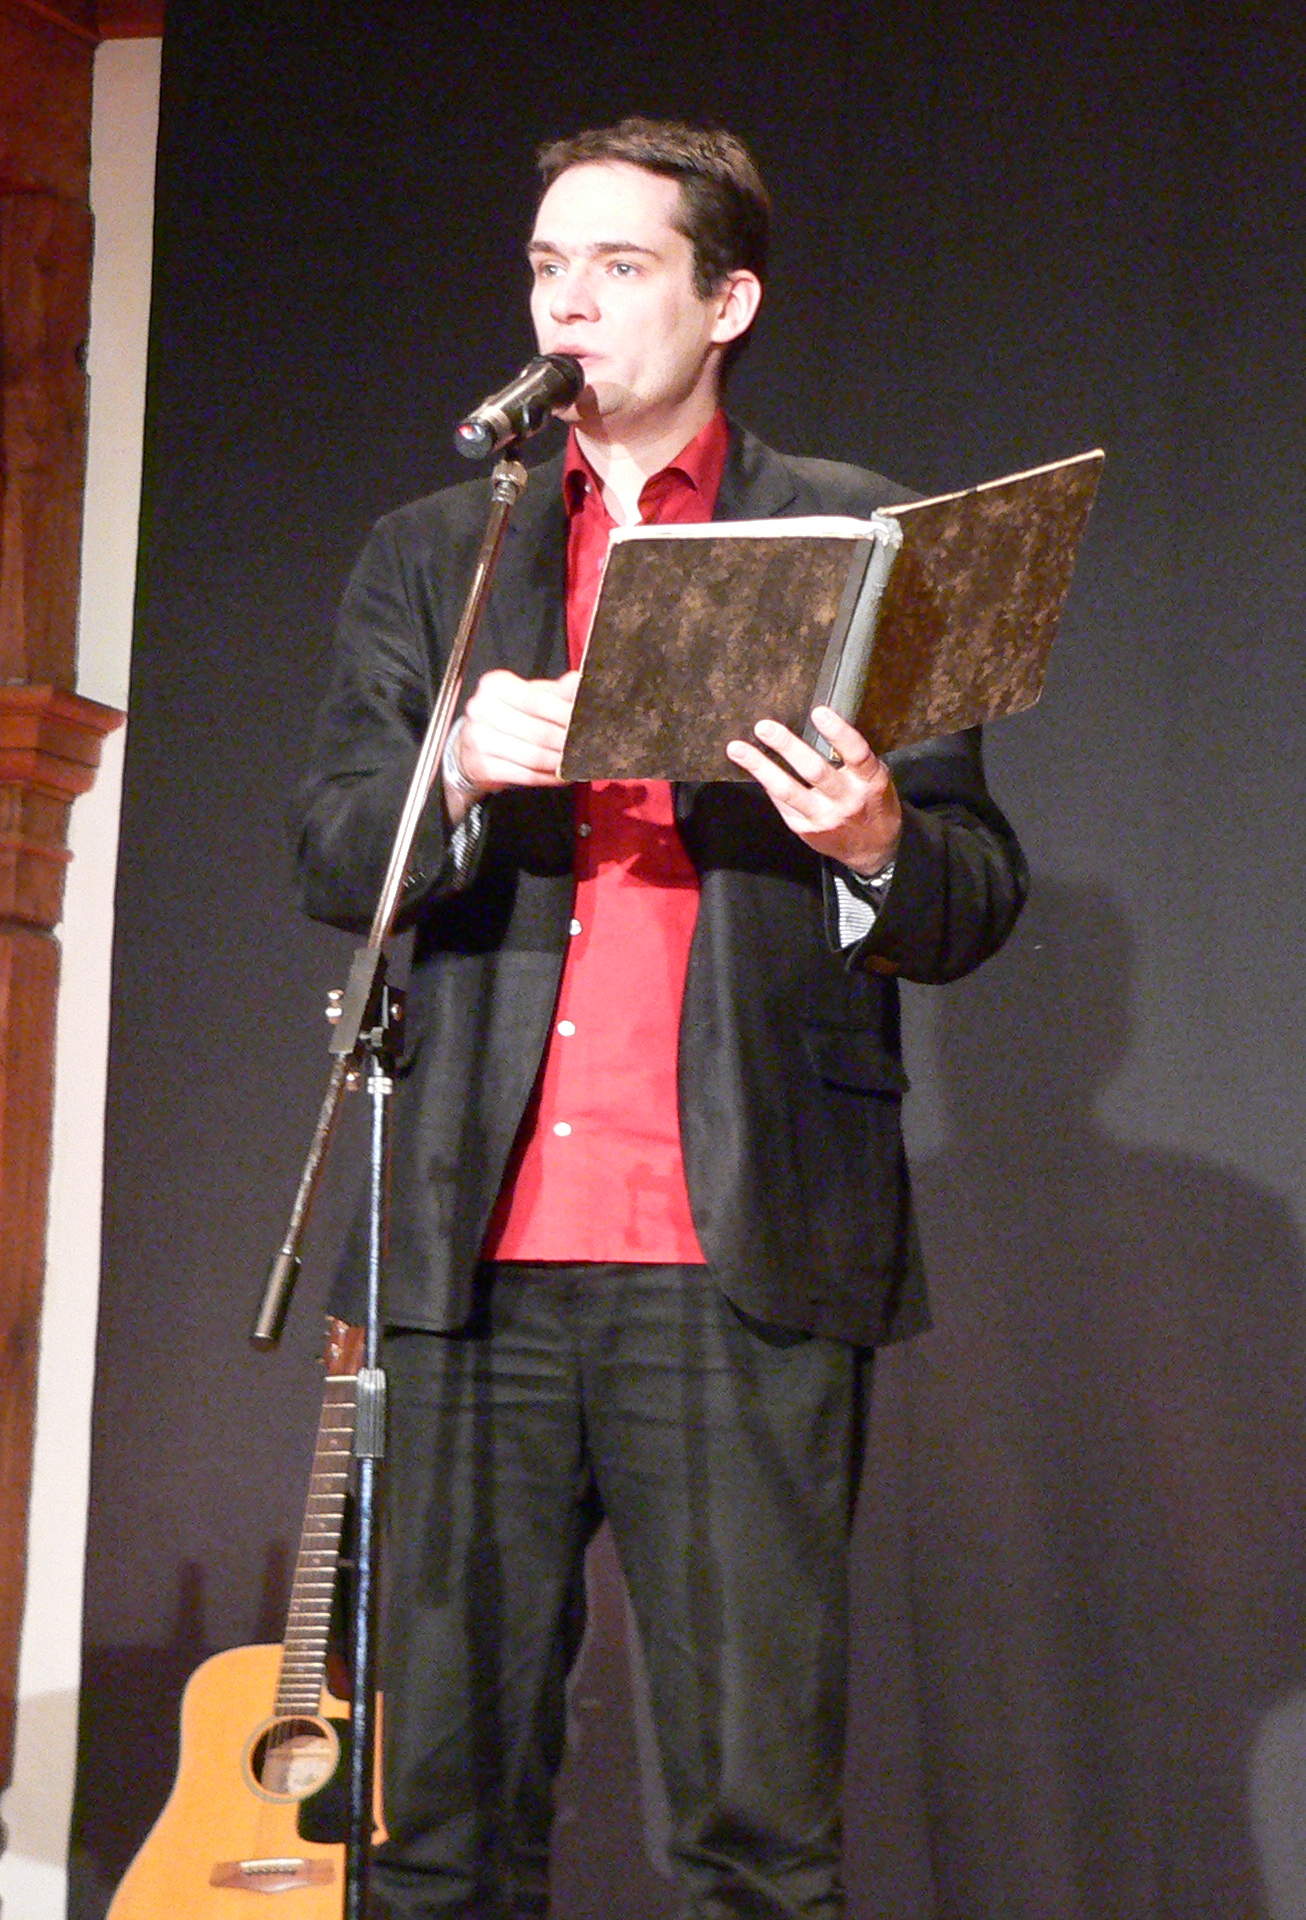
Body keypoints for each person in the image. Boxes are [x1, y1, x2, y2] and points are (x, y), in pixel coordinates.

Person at [292, 117, 1026, 1918]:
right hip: (470, 1253)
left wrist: (869, 834)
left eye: (622, 268)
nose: (572, 304)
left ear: (727, 301)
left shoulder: (854, 536)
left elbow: (972, 894)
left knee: (752, 1840)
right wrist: (459, 770)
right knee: (431, 1830)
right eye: (550, 266)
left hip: (737, 1247)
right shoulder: (440, 553)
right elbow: (331, 847)